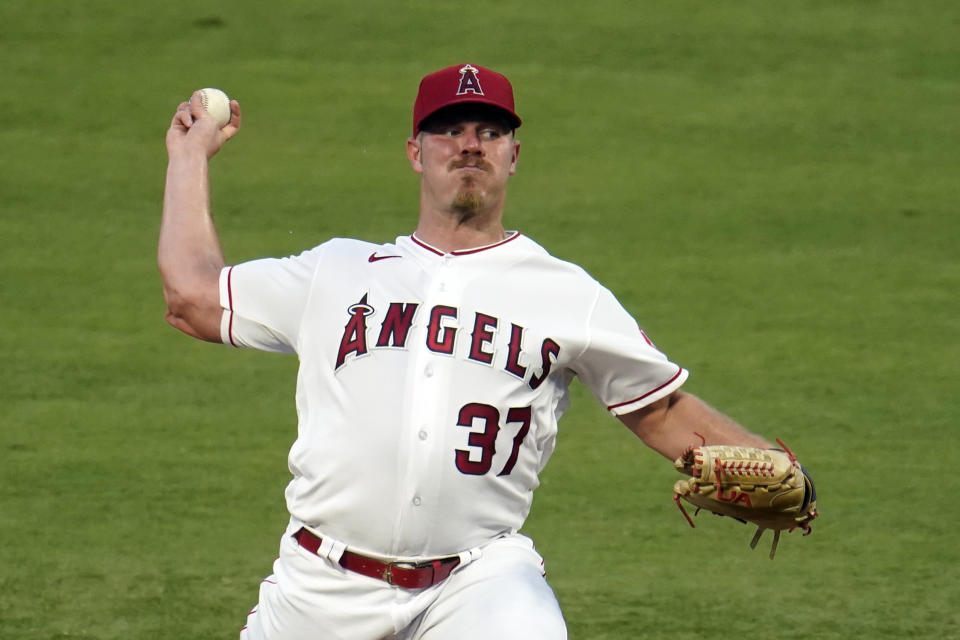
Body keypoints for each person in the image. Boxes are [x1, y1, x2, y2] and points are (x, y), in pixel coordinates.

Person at [160, 63, 777, 639]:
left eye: (489, 131)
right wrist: (188, 158)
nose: (469, 145)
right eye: (448, 131)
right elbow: (192, 296)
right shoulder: (337, 271)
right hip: (319, 584)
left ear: (514, 155)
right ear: (415, 153)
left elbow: (663, 411)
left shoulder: (565, 293)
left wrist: (780, 464)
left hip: (479, 580)